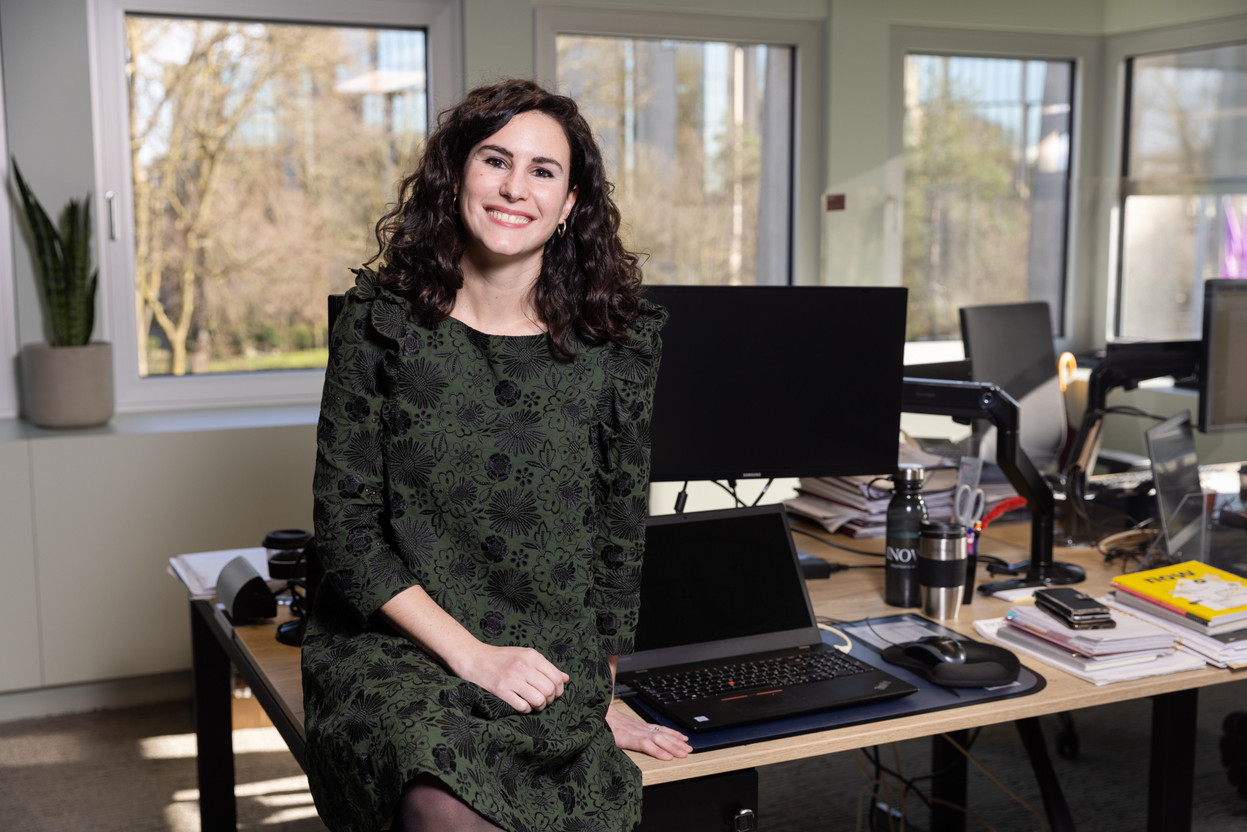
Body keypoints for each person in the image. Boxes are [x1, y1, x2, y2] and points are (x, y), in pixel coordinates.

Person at [302, 78, 690, 832]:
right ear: (456, 178)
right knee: (435, 792)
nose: (516, 187)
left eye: (542, 171)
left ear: (570, 201)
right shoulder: (378, 326)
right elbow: (345, 534)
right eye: (495, 161)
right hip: (401, 644)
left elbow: (616, 533)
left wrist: (599, 693)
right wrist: (474, 656)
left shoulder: (616, 345)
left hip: (549, 643)